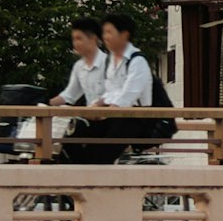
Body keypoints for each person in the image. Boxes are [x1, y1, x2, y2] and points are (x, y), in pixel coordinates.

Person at [57, 9, 172, 162]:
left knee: (100, 154)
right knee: (73, 141)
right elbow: (111, 93)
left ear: (124, 35)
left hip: (137, 118)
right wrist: (95, 108)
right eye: (104, 33)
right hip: (115, 116)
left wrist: (99, 112)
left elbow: (127, 98)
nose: (105, 37)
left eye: (109, 33)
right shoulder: (113, 61)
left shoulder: (137, 61)